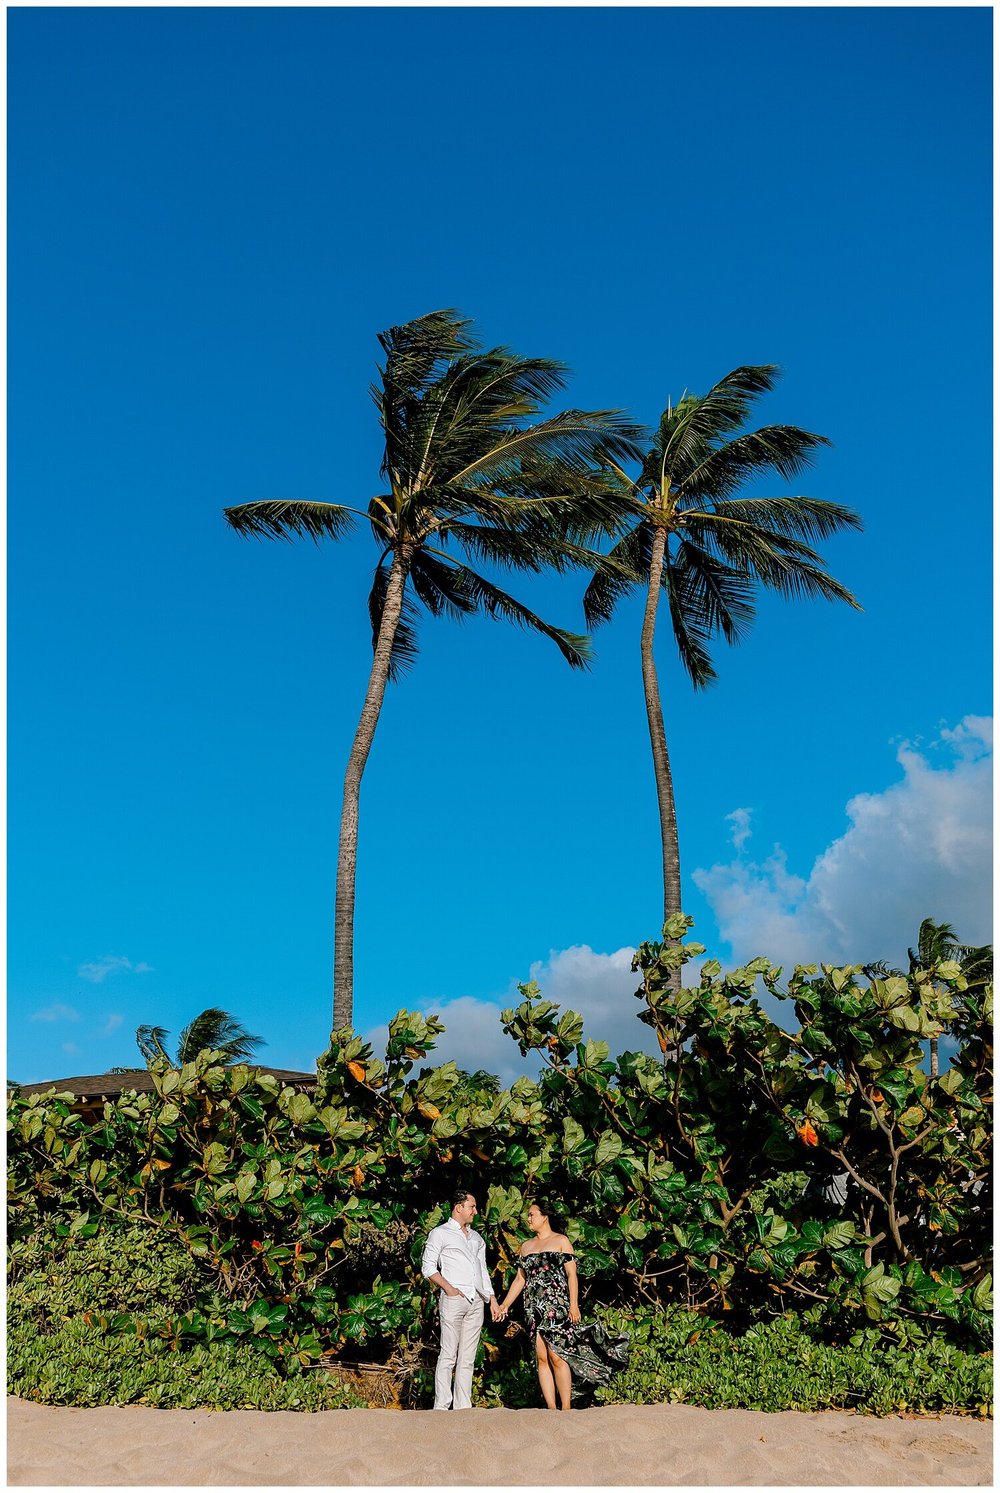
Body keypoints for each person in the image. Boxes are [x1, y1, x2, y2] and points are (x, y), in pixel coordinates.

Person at [495, 1200, 629, 1410]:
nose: (528, 1219)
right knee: (541, 1357)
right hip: (533, 1308)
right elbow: (520, 1280)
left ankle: (566, 1408)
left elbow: (571, 1275)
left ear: (544, 1216)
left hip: (556, 1306)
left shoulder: (561, 1241)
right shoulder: (526, 1246)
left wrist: (574, 1305)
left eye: (532, 1214)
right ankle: (550, 1408)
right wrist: (504, 1305)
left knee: (557, 1355)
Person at [421, 1188, 503, 1410]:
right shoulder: (440, 1233)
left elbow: (482, 1270)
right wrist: (448, 1288)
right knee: (448, 1353)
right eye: (472, 1207)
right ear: (459, 1207)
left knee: (467, 1356)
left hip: (477, 1300)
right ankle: (441, 1405)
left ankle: (463, 1407)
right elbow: (428, 1266)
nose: (475, 1211)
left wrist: (492, 1299)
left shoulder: (476, 1238)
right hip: (454, 1298)